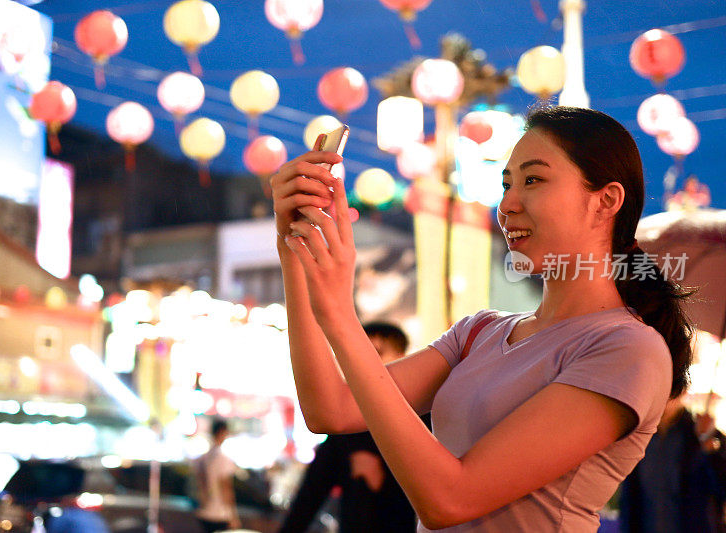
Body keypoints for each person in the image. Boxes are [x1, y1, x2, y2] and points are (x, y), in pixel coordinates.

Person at [269, 106, 695, 531]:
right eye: (506, 184)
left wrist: (340, 316)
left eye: (533, 180)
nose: (507, 205)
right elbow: (332, 408)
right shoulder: (481, 332)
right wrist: (294, 251)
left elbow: (449, 500)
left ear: (606, 201)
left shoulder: (627, 348)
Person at [279, 322, 429, 533]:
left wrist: (384, 477)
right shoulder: (346, 427)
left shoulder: (426, 415)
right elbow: (309, 497)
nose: (368, 363)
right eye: (360, 354)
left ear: (402, 356)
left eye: (377, 352)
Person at [619, 395, 726, 532]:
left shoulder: (701, 434)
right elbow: (630, 499)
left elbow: (721, 486)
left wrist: (707, 442)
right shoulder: (637, 436)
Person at [194, 418, 240, 533]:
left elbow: (200, 483)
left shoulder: (204, 457)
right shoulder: (222, 458)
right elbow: (226, 487)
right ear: (222, 432)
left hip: (204, 511)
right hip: (220, 514)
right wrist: (233, 516)